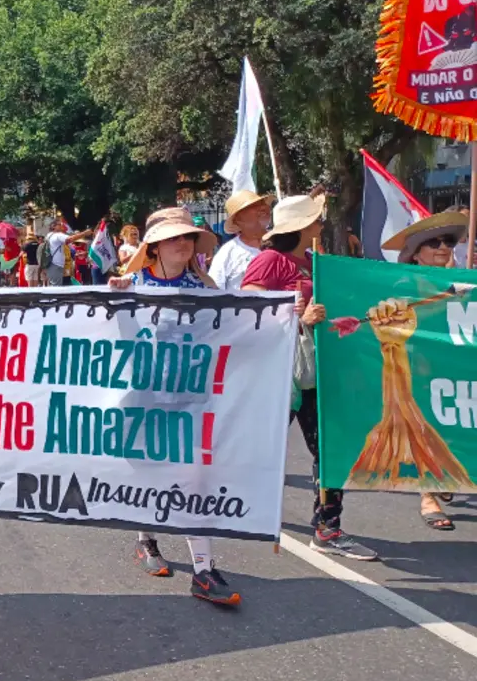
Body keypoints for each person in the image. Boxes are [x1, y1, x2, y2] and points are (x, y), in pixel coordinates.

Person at [109, 207, 239, 605]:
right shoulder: (127, 286)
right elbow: (108, 338)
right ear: (155, 247)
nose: (183, 243)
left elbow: (238, 327)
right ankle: (146, 539)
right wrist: (114, 301)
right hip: (143, 396)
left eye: (189, 237)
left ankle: (203, 569)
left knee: (195, 479)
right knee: (147, 474)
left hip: (193, 396)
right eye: (174, 238)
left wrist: (293, 315)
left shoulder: (206, 289)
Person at [241, 193, 378, 561]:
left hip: (319, 372)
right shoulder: (270, 261)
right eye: (315, 219)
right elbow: (250, 309)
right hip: (281, 374)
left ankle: (327, 528)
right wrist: (297, 316)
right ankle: (231, 504)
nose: (321, 224)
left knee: (331, 449)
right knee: (256, 445)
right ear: (302, 226)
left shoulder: (316, 262)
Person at [381, 211, 471, 529]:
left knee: (454, 425)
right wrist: (446, 297)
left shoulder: (461, 278)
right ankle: (427, 495)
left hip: (454, 367)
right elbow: (403, 316)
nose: (443, 248)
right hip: (418, 368)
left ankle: (446, 477)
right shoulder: (404, 281)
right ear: (417, 253)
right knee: (424, 429)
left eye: (448, 241)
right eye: (434, 243)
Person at [208, 190, 273, 291]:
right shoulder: (227, 253)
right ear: (238, 219)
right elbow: (214, 291)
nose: (262, 208)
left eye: (262, 203)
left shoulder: (286, 243)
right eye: (253, 206)